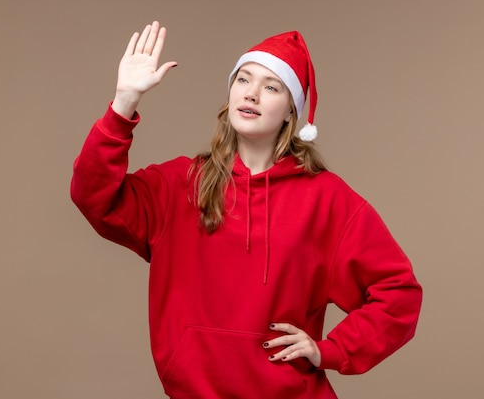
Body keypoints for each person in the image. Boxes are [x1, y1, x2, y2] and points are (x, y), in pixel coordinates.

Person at [71, 21, 422, 399]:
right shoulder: (180, 184)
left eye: (270, 87)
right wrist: (124, 102)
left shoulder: (327, 199)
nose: (251, 94)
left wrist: (329, 351)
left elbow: (399, 294)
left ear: (291, 111)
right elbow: (94, 195)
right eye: (243, 79)